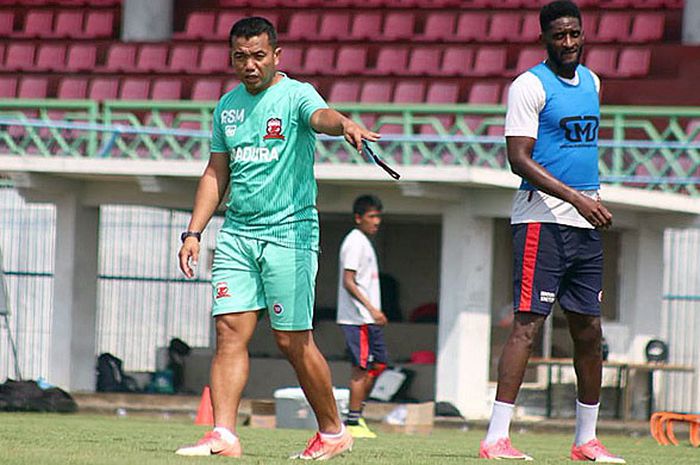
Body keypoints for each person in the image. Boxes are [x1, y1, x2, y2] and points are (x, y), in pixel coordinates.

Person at [175, 17, 379, 460]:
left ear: (276, 56)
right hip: (237, 234)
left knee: (291, 340)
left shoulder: (296, 94)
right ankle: (224, 435)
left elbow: (319, 116)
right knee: (229, 331)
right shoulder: (226, 107)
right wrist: (194, 232)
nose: (249, 65)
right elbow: (216, 172)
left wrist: (342, 122)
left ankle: (332, 431)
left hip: (289, 233)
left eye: (258, 55)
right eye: (240, 57)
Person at [479, 1, 624, 463]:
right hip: (542, 220)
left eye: (574, 34)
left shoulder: (593, 82)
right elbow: (518, 157)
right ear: (545, 38)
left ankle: (586, 440)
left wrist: (588, 199)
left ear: (583, 35)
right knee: (528, 325)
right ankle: (496, 437)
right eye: (559, 35)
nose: (568, 43)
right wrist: (577, 198)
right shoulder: (528, 85)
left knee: (588, 329)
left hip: (584, 222)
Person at [336, 195, 389, 439]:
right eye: (371, 216)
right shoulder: (354, 242)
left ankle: (355, 415)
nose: (376, 222)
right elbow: (349, 281)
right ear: (358, 218)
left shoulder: (365, 242)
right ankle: (354, 421)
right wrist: (372, 308)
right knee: (361, 367)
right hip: (358, 318)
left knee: (378, 365)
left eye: (378, 216)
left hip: (367, 318)